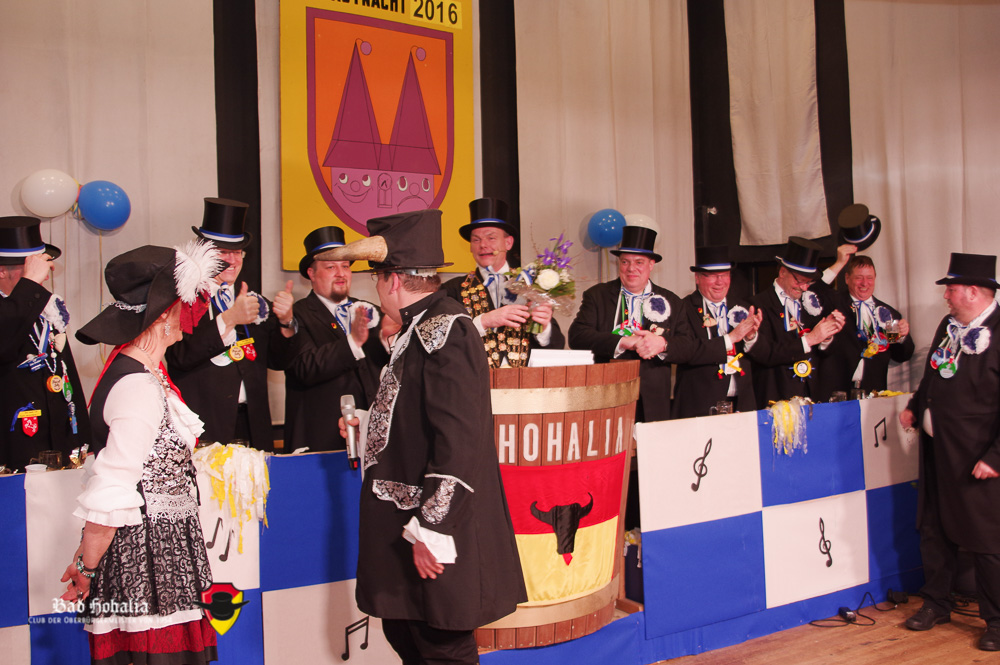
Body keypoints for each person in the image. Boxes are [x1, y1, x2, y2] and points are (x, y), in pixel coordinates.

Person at [334, 209, 525, 664]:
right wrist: (368, 423)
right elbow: (416, 412)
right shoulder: (419, 327)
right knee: (409, 639)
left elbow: (460, 441)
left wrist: (433, 529)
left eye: (377, 279)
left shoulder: (446, 329)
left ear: (392, 280)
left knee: (442, 648)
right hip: (403, 524)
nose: (377, 289)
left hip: (433, 530)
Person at [62, 241, 222, 664]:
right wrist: (88, 567)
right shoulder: (136, 385)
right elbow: (114, 485)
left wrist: (86, 559)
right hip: (145, 560)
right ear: (166, 313)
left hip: (165, 555)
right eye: (187, 304)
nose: (193, 314)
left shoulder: (148, 374)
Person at [899, 253, 1000, 651]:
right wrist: (915, 405)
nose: (946, 296)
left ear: (973, 291)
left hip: (978, 459)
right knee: (934, 530)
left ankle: (997, 621)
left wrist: (995, 458)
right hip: (938, 451)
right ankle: (937, 603)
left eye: (951, 289)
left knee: (986, 542)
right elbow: (934, 373)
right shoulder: (949, 326)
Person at [569, 226, 745, 422]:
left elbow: (688, 346)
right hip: (605, 395)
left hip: (652, 401)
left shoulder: (672, 301)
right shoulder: (597, 295)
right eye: (625, 261)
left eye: (639, 262)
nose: (631, 268)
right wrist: (622, 342)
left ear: (651, 264)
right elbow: (577, 336)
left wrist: (663, 344)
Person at [165, 198, 299, 452]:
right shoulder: (184, 299)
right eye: (223, 252)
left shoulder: (253, 301)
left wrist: (286, 322)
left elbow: (279, 361)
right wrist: (228, 319)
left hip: (253, 425)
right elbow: (178, 356)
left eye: (237, 253)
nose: (232, 260)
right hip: (206, 427)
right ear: (203, 254)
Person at [283, 225, 390, 452]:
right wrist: (352, 343)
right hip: (321, 437)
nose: (341, 273)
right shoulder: (296, 315)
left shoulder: (370, 310)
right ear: (311, 273)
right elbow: (304, 368)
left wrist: (388, 340)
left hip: (369, 435)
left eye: (345, 266)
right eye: (331, 267)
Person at [0, 216, 90, 472]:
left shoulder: (43, 307)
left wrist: (82, 441)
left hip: (55, 439)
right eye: (31, 267)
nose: (43, 275)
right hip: (11, 445)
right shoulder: (23, 304)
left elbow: (65, 373)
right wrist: (29, 285)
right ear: (1, 270)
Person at [442, 197, 563, 368]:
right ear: (470, 247)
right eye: (476, 240)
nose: (483, 245)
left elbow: (557, 345)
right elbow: (442, 340)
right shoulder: (452, 290)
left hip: (527, 381)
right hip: (476, 382)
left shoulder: (530, 283)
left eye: (491, 238)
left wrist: (544, 327)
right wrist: (484, 321)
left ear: (508, 242)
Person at [749, 237, 849, 408]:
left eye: (808, 282)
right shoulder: (758, 305)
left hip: (811, 397)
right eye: (799, 281)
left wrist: (826, 336)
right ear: (782, 272)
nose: (804, 287)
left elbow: (826, 354)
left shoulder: (810, 303)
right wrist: (810, 339)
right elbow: (767, 354)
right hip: (775, 397)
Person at [672, 245, 764, 418]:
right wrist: (731, 338)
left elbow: (762, 355)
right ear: (697, 278)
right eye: (713, 275)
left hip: (741, 403)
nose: (720, 282)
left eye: (725, 275)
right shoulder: (683, 308)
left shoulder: (743, 307)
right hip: (699, 404)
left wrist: (751, 337)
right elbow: (687, 352)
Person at [815, 254, 914, 400]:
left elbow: (901, 355)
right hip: (835, 392)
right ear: (847, 278)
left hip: (873, 393)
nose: (864, 283)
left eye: (869, 278)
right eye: (859, 277)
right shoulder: (832, 304)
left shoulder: (886, 313)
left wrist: (901, 336)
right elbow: (814, 289)